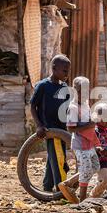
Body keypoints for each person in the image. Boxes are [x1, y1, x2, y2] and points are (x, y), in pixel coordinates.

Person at [30, 54, 71, 192]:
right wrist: (39, 125)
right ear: (54, 69)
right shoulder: (43, 86)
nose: (67, 74)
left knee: (54, 157)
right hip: (49, 129)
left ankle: (47, 186)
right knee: (59, 158)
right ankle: (62, 190)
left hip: (62, 130)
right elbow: (33, 106)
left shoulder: (65, 87)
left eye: (68, 71)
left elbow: (67, 108)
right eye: (64, 70)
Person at [63, 76, 101, 202]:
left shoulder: (85, 104)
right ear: (74, 90)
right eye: (80, 91)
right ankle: (82, 199)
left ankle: (70, 183)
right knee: (85, 171)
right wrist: (89, 125)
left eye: (86, 91)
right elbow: (70, 128)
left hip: (89, 143)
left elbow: (89, 122)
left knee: (95, 166)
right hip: (80, 145)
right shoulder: (73, 108)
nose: (84, 94)